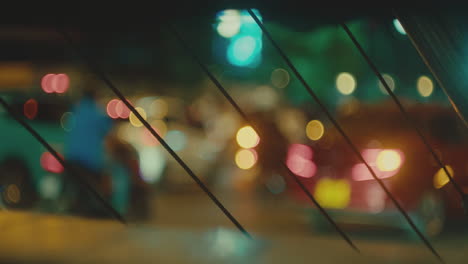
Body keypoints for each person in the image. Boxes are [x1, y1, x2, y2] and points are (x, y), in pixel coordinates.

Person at [61, 84, 113, 218]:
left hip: (71, 158)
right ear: (95, 96)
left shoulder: (75, 110)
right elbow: (108, 129)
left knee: (77, 189)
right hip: (89, 161)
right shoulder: (97, 113)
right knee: (96, 190)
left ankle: (75, 210)